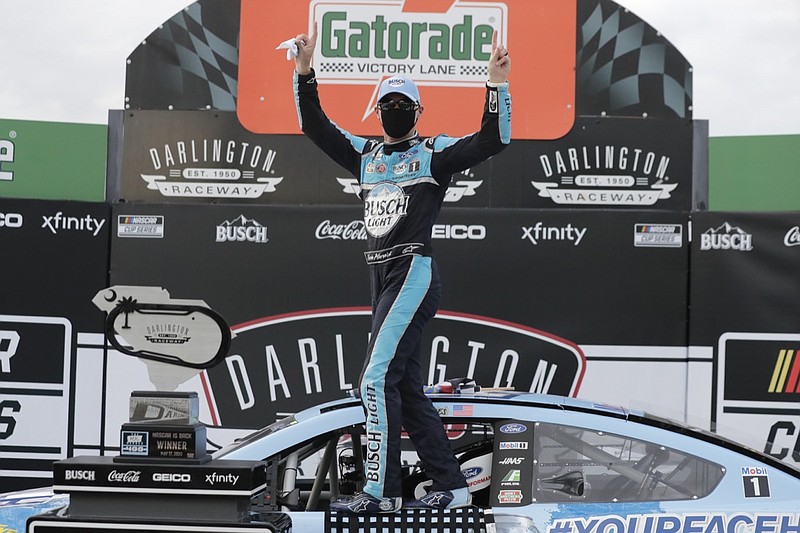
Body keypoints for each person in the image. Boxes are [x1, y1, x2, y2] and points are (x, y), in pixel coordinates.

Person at [291, 21, 511, 513]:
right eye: (387, 104)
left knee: (373, 381)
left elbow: (493, 139)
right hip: (381, 277)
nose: (394, 111)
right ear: (378, 110)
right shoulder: (365, 155)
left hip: (413, 272)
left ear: (417, 111)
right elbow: (314, 126)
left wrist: (496, 84)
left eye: (402, 105)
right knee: (404, 385)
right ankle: (452, 488)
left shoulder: (432, 154)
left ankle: (380, 493)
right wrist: (305, 72)